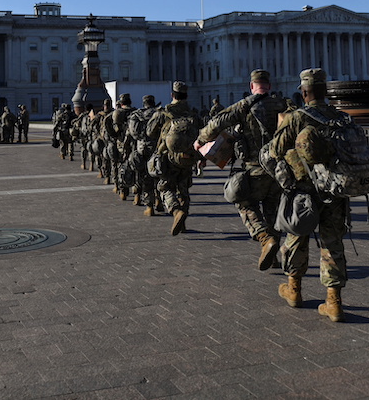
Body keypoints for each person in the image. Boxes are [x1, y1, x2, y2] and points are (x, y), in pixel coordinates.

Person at [268, 68, 351, 322]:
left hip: (304, 191)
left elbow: (274, 150)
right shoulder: (341, 117)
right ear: (326, 92)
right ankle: (333, 302)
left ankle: (294, 290)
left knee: (296, 237)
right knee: (332, 244)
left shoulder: (296, 117)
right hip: (335, 191)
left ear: (304, 93)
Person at [196, 69, 288, 270]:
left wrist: (200, 141)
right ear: (269, 86)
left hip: (255, 168)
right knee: (273, 210)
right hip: (280, 171)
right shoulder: (284, 105)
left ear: (251, 86)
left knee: (244, 201)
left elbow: (216, 123)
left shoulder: (245, 106)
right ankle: (273, 253)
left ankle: (264, 238)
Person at [147, 82, 203, 235]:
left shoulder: (163, 112)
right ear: (186, 95)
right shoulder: (193, 113)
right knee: (183, 190)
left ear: (172, 95)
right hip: (187, 157)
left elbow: (150, 132)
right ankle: (183, 223)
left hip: (168, 157)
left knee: (165, 187)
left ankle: (176, 210)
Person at [127, 94, 161, 215]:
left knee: (145, 177)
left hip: (142, 148)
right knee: (158, 175)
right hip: (157, 148)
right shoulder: (160, 114)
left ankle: (149, 206)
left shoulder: (136, 115)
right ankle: (159, 201)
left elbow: (133, 134)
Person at [111, 94, 136, 199]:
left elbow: (109, 123)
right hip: (134, 144)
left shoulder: (118, 113)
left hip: (121, 143)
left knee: (121, 166)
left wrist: (114, 135)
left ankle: (123, 190)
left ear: (121, 103)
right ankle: (136, 192)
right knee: (135, 167)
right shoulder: (135, 112)